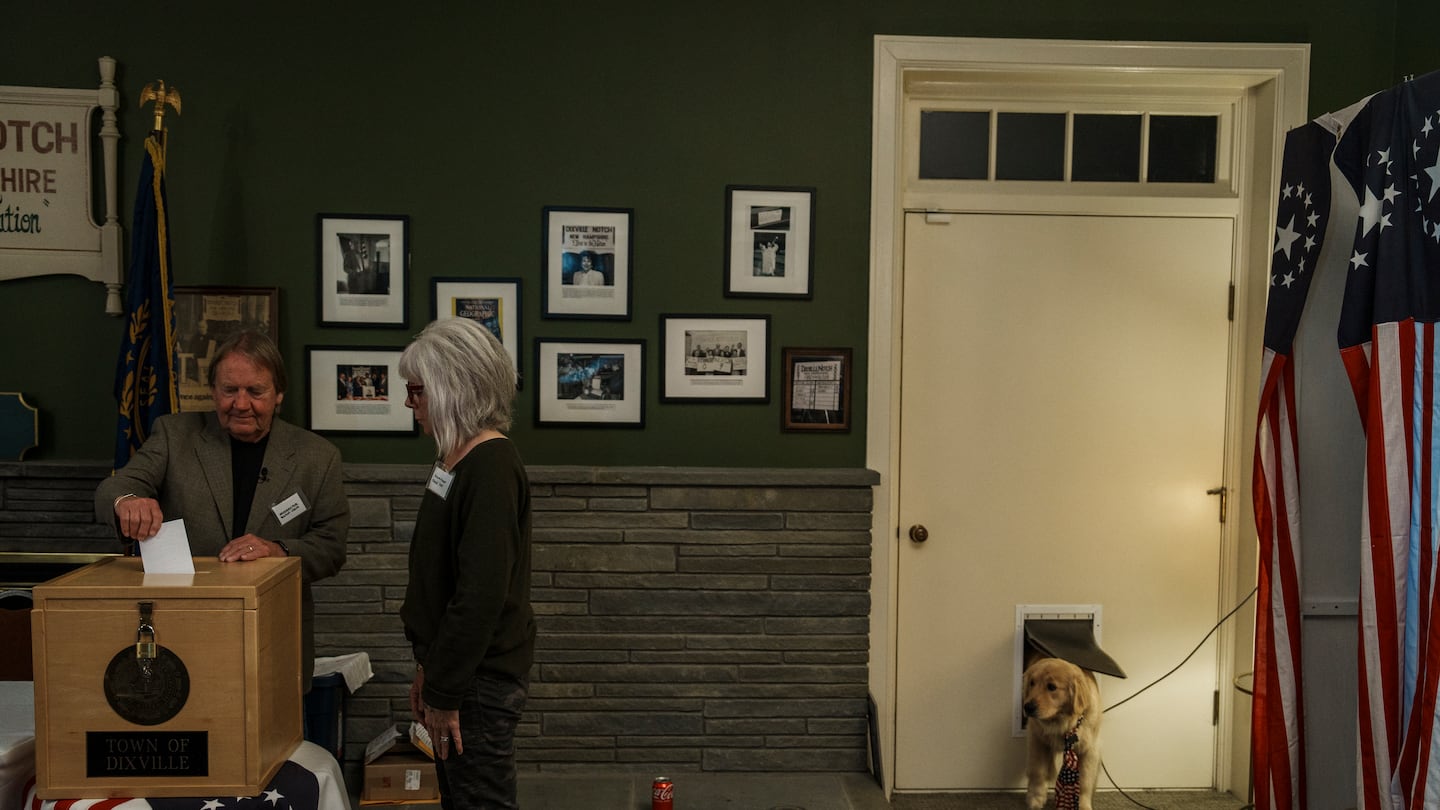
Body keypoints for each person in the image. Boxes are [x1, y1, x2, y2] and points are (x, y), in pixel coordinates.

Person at [94, 329, 349, 695]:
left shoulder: (318, 457)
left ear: (278, 394)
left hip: (274, 638)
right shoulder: (173, 434)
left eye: (255, 392)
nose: (240, 404)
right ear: (213, 391)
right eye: (229, 390)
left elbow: (331, 546)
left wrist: (277, 551)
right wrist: (127, 502)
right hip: (183, 636)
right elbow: (112, 490)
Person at [399, 318, 534, 810]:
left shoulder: (490, 466)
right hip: (458, 673)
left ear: (450, 387)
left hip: (478, 680)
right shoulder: (454, 460)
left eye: (416, 391)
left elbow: (479, 596)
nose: (409, 403)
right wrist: (428, 670)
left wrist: (446, 690)